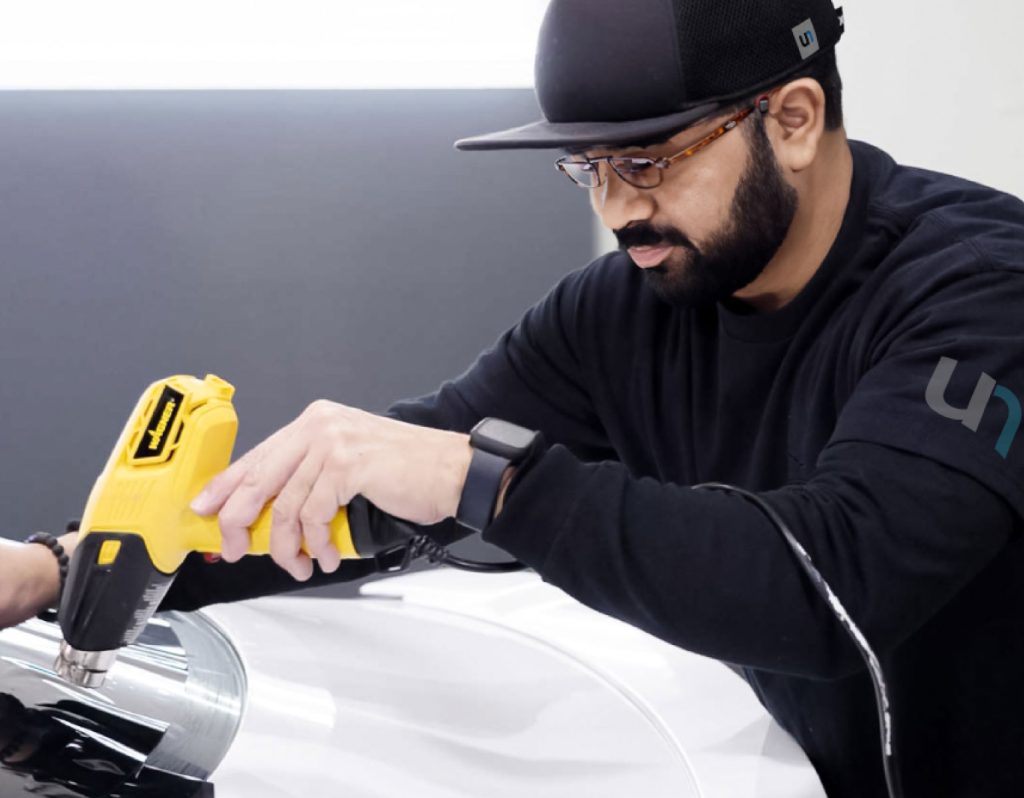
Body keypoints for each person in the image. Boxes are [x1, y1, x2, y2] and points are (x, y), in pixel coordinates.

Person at [8, 0, 1024, 795]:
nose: (619, 210)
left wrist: (483, 478)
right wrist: (66, 568)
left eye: (647, 161)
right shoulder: (623, 310)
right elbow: (369, 497)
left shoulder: (983, 291)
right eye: (587, 167)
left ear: (793, 119)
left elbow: (829, 589)